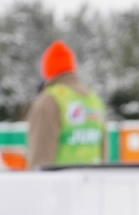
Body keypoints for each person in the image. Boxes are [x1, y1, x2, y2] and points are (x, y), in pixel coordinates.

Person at [24, 40, 106, 169]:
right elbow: (103, 154)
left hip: (59, 186)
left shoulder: (49, 100)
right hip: (91, 185)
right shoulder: (94, 100)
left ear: (48, 70)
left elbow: (40, 159)